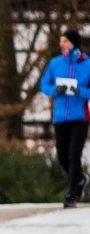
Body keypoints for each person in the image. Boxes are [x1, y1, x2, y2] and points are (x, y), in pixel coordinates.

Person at [39, 29, 90, 208]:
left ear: (74, 44)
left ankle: (72, 194)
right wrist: (54, 90)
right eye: (61, 41)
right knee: (62, 157)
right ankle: (80, 179)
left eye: (65, 41)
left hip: (80, 118)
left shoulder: (87, 65)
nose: (62, 44)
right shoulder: (55, 64)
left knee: (74, 156)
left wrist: (81, 92)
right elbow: (44, 84)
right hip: (60, 118)